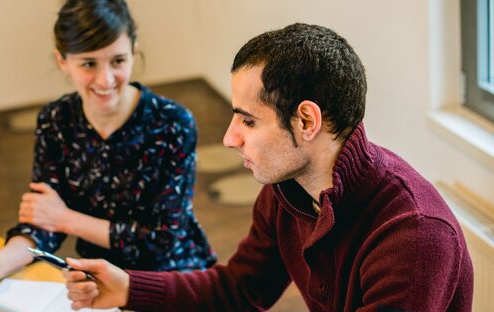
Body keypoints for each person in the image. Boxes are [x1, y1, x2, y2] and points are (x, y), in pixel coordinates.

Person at [61, 23, 474, 311]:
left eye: (248, 120)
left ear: (307, 122)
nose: (229, 137)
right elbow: (240, 289)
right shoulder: (289, 191)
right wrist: (129, 287)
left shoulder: (414, 236)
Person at [0, 0, 216, 293]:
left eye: (118, 61)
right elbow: (42, 220)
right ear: (62, 61)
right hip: (98, 280)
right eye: (88, 63)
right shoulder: (56, 120)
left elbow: (163, 240)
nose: (106, 79)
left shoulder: (173, 123)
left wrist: (67, 219)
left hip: (173, 280)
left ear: (133, 53)